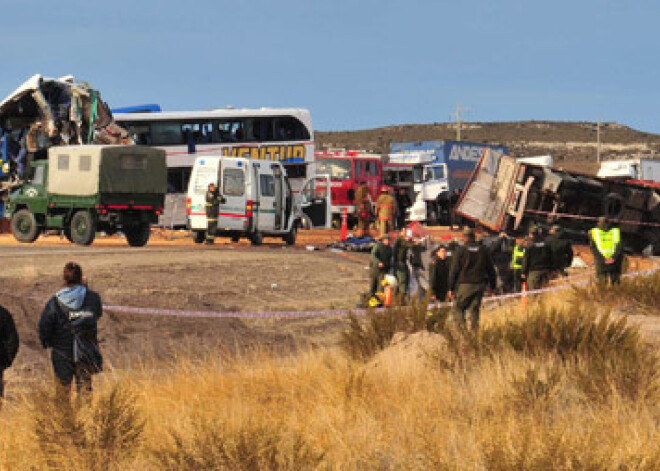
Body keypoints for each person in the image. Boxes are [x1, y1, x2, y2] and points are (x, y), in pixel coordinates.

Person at [38, 262, 103, 396]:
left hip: (61, 350)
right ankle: (85, 416)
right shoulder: (93, 298)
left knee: (62, 391)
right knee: (85, 390)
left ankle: (64, 416)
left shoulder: (54, 301)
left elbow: (44, 326)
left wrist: (48, 342)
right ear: (81, 278)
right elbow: (97, 314)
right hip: (86, 348)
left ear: (64, 279)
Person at [448, 228, 497, 330]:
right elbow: (491, 269)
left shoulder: (460, 250)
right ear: (474, 237)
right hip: (480, 284)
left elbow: (454, 270)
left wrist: (451, 288)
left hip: (466, 284)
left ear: (464, 237)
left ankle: (463, 334)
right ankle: (474, 335)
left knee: (458, 308)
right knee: (474, 310)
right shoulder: (483, 250)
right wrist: (492, 286)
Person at [589, 216, 623, 284]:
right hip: (615, 262)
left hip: (601, 262)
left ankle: (603, 294)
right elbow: (619, 247)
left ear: (598, 223)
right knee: (616, 283)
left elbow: (593, 248)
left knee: (602, 283)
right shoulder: (616, 231)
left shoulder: (593, 232)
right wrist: (613, 258)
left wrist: (602, 259)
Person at [521, 226, 554, 290]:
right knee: (544, 291)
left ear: (531, 234)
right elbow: (551, 257)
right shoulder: (546, 244)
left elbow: (526, 260)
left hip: (534, 271)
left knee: (533, 292)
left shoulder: (529, 245)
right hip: (545, 271)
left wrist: (523, 272)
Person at [0, 304, 19, 400]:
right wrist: (6, 360)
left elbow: (12, 340)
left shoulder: (3, 314)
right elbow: (12, 340)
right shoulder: (3, 313)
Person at [392, 229, 412, 299]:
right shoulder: (400, 240)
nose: (405, 233)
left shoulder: (402, 240)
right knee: (402, 280)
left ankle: (401, 298)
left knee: (405, 279)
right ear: (400, 232)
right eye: (404, 231)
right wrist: (412, 241)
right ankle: (401, 299)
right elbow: (408, 245)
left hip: (403, 262)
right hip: (399, 263)